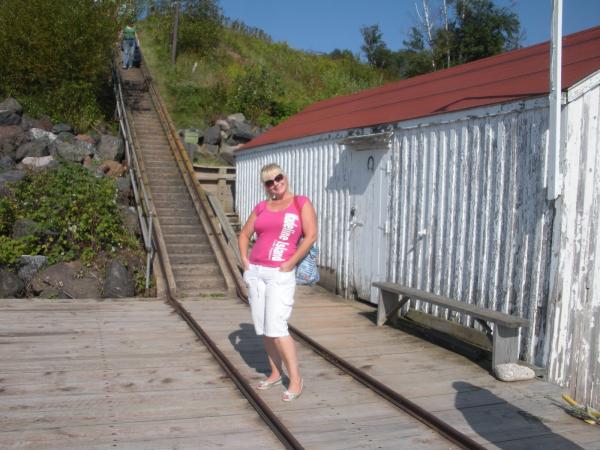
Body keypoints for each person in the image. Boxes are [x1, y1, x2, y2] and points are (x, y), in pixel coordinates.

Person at [239, 163, 317, 402]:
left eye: (278, 178)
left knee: (277, 326)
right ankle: (275, 373)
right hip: (257, 270)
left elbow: (311, 235)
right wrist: (245, 260)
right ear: (265, 187)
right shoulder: (262, 207)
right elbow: (244, 234)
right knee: (263, 327)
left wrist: (291, 262)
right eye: (269, 182)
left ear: (285, 177)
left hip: (279, 273)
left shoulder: (300, 203)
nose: (275, 184)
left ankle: (295, 379)